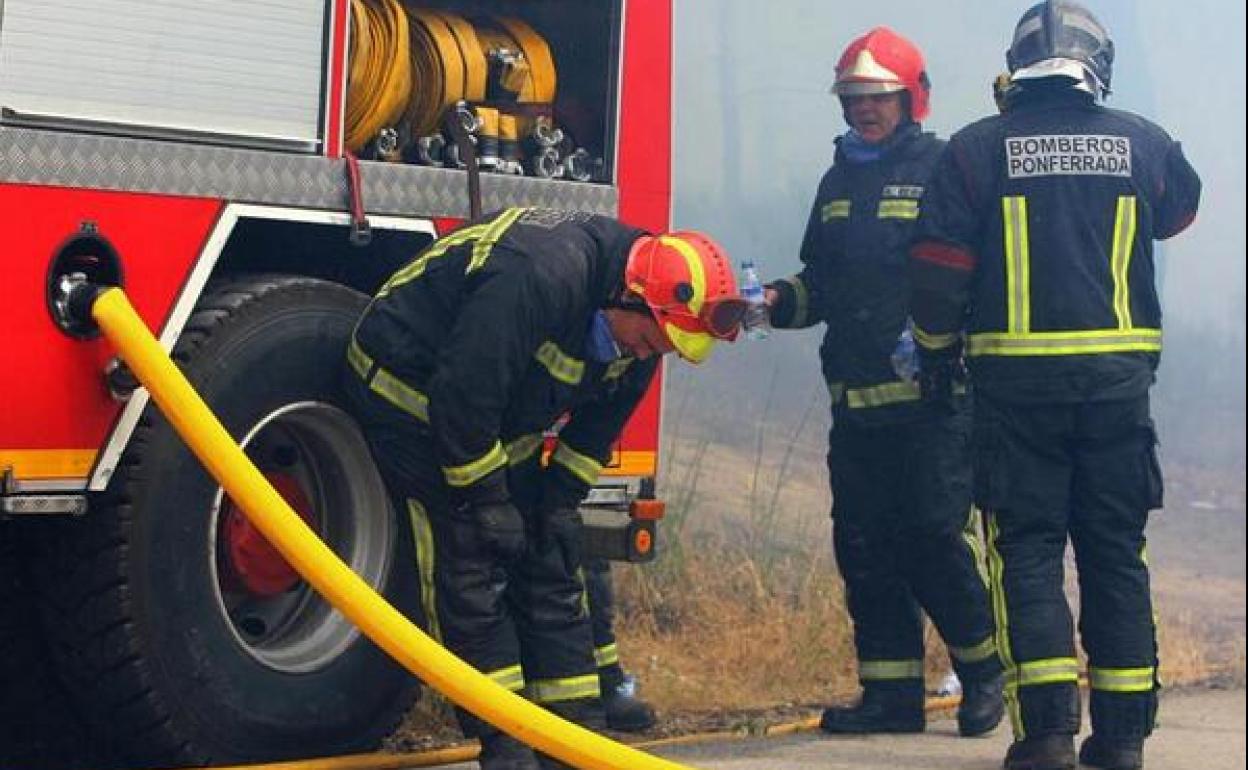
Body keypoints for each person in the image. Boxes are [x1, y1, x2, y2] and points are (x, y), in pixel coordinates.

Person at [344, 207, 745, 770]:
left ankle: (572, 737)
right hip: (411, 394)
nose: (650, 355)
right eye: (653, 341)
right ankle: (505, 741)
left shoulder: (646, 328)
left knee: (551, 559)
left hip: (500, 421)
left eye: (665, 350)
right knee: (470, 557)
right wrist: (485, 498)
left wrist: (557, 503)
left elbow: (593, 434)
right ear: (629, 298)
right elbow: (462, 397)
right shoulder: (540, 275)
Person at [907, 3, 1201, 769]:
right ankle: (1124, 742)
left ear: (1016, 70)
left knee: (1026, 552)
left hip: (1015, 394)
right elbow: (1180, 212)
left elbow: (938, 277)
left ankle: (1044, 739)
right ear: (1096, 68)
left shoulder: (976, 151)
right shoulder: (1145, 143)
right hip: (1117, 391)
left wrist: (937, 356)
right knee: (1114, 554)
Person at [761, 27, 1004, 738]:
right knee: (863, 546)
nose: (864, 110)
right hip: (857, 406)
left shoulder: (944, 169)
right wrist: (774, 303)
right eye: (854, 98)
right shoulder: (836, 183)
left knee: (933, 537)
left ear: (909, 98)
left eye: (878, 97)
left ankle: (985, 673)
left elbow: (973, 270)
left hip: (931, 405)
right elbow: (822, 285)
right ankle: (891, 695)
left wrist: (938, 338)